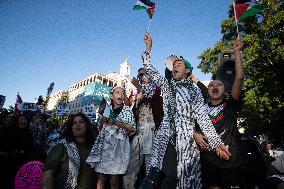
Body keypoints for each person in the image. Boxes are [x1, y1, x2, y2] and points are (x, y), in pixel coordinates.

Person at [140, 32, 231, 189]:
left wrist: (216, 143)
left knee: (183, 181)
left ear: (187, 71)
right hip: (166, 140)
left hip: (186, 143)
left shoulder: (194, 91)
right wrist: (148, 48)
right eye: (173, 66)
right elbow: (150, 69)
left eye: (179, 65)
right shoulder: (167, 85)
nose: (175, 67)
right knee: (161, 179)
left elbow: (202, 118)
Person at [190, 36, 245, 189]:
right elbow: (189, 126)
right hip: (208, 161)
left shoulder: (230, 104)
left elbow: (239, 77)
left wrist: (237, 52)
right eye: (211, 85)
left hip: (231, 161)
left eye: (219, 84)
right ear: (208, 91)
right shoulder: (201, 109)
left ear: (225, 90)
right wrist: (195, 134)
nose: (215, 86)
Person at [86, 86, 136, 189]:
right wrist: (102, 121)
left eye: (122, 93)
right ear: (111, 96)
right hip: (105, 147)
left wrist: (117, 123)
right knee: (101, 179)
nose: (120, 95)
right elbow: (100, 129)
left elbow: (132, 128)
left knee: (114, 180)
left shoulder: (127, 111)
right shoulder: (107, 109)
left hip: (119, 149)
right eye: (117, 92)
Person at [123, 68, 163, 189]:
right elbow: (129, 106)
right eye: (139, 74)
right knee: (131, 167)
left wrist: (138, 86)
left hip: (151, 129)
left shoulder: (157, 88)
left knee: (150, 166)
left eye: (143, 74)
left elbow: (152, 97)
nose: (141, 76)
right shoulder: (135, 92)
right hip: (137, 130)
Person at [42, 112, 96, 189]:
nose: (77, 124)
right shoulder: (61, 146)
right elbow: (48, 173)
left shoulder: (94, 148)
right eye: (74, 123)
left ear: (87, 126)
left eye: (81, 122)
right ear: (71, 128)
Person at [0, 114, 34, 189]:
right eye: (21, 119)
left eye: (25, 119)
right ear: (17, 121)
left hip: (22, 163)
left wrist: (24, 151)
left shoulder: (29, 134)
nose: (23, 121)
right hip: (7, 163)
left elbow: (30, 149)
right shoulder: (8, 131)